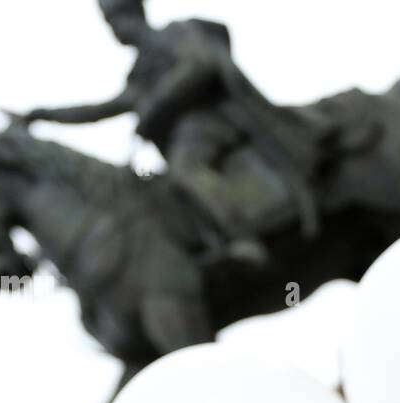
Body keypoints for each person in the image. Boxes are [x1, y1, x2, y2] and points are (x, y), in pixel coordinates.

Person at [17, 0, 323, 259]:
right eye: (110, 24)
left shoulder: (176, 34)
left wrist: (156, 105)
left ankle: (242, 235)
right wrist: (42, 115)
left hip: (211, 120)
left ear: (135, 12)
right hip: (183, 136)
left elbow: (201, 65)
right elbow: (99, 109)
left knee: (186, 169)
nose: (116, 29)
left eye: (117, 19)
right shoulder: (139, 73)